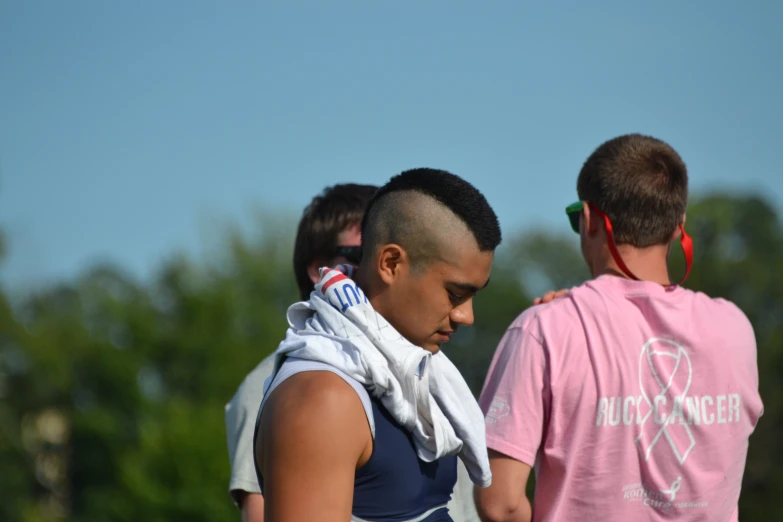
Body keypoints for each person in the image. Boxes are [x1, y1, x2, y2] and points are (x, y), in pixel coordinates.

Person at [475, 133, 764, 522]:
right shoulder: (736, 330)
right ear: (679, 226)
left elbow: (501, 503)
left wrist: (556, 323)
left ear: (590, 219)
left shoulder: (544, 330)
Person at [254, 168, 502, 522]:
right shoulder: (323, 398)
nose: (466, 316)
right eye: (455, 294)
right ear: (390, 263)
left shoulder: (411, 372)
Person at [224, 183, 377, 521]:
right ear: (319, 269)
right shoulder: (274, 383)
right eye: (363, 255)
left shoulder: (423, 370)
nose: (380, 269)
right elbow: (263, 512)